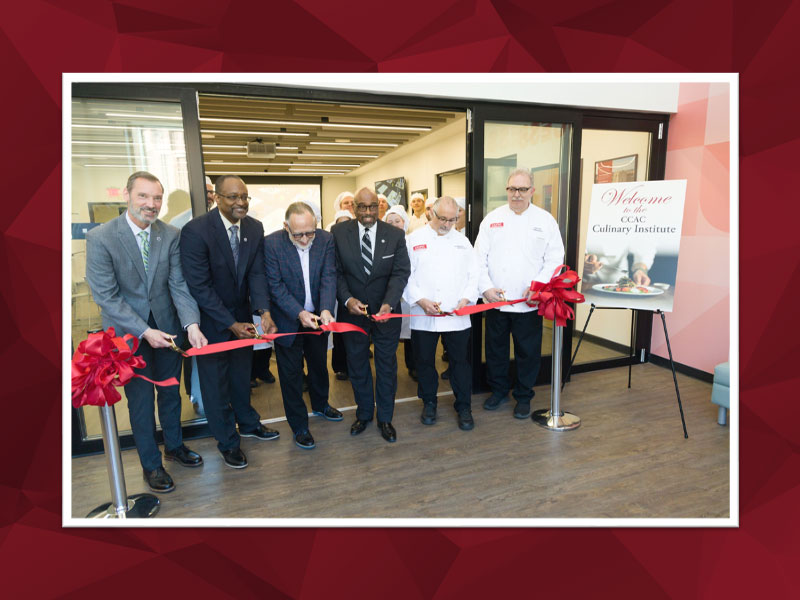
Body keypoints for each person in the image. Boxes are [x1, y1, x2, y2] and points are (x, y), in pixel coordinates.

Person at [85, 171, 208, 493]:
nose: (151, 204)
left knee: (170, 393)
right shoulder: (101, 238)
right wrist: (144, 330)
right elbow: (107, 298)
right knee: (140, 403)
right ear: (127, 195)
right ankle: (151, 465)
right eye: (144, 196)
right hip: (128, 338)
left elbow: (178, 285)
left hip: (168, 332)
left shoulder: (169, 234)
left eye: (157, 198)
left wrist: (190, 324)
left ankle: (174, 446)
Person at [179, 175, 280, 470]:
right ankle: (227, 442)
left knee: (240, 376)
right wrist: (229, 323)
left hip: (242, 319)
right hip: (210, 322)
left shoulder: (254, 227)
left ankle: (248, 423)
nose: (241, 203)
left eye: (244, 197)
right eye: (233, 197)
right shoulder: (196, 231)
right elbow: (199, 286)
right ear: (217, 199)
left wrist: (263, 311)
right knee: (215, 385)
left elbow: (257, 274)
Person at [475, 168, 565, 419]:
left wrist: (539, 285)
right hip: (496, 301)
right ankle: (499, 391)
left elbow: (555, 258)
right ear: (506, 190)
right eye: (512, 189)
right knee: (496, 350)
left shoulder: (545, 221)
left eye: (522, 189)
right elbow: (478, 258)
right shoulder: (492, 219)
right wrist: (486, 288)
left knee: (527, 352)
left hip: (529, 302)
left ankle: (524, 396)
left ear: (532, 191)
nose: (516, 195)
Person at [332, 188, 410, 442]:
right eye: (361, 207)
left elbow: (400, 272)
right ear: (353, 207)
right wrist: (347, 299)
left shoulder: (395, 235)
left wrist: (389, 302)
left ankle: (385, 417)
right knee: (357, 365)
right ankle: (364, 413)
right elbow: (337, 273)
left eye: (372, 206)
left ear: (379, 207)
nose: (367, 212)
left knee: (387, 366)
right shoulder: (338, 233)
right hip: (352, 314)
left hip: (386, 314)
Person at [264, 202, 343, 450]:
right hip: (288, 319)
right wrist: (299, 313)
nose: (306, 238)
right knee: (290, 374)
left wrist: (326, 308)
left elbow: (329, 275)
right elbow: (275, 286)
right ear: (286, 227)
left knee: (319, 364)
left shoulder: (326, 239)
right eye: (298, 234)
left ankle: (321, 404)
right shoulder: (272, 243)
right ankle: (299, 426)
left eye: (310, 232)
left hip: (318, 316)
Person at [404, 197, 479, 431]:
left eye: (453, 220)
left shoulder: (463, 242)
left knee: (460, 362)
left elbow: (473, 275)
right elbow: (406, 276)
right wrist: (419, 300)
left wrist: (467, 298)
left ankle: (463, 405)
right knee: (425, 361)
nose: (447, 224)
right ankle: (429, 402)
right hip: (423, 313)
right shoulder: (413, 240)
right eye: (443, 219)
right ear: (430, 215)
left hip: (456, 314)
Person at [384, 205, 416, 380]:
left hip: (411, 297)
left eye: (398, 221)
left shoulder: (412, 241)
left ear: (405, 222)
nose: (394, 224)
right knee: (390, 336)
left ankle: (413, 366)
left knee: (412, 334)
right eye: (390, 221)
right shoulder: (382, 243)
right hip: (391, 297)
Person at [330, 209, 354, 379]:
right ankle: (340, 366)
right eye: (341, 223)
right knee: (339, 333)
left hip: (352, 296)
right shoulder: (330, 243)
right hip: (336, 295)